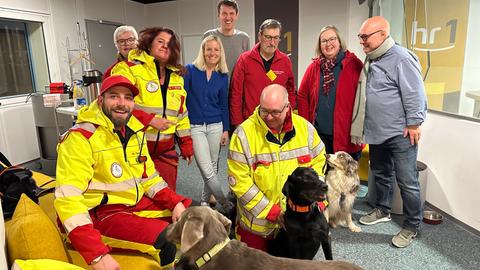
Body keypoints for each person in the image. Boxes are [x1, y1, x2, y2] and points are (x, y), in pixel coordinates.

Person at [54, 75, 192, 270]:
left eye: (128, 97)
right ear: (100, 100)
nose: (122, 103)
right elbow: (69, 199)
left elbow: (150, 179)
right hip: (98, 215)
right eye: (114, 96)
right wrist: (96, 254)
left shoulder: (135, 132)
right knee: (167, 238)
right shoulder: (80, 138)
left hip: (130, 204)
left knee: (193, 215)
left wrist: (175, 203)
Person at [227, 84, 326, 251]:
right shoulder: (243, 135)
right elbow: (240, 184)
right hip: (258, 226)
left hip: (300, 221)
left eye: (275, 112)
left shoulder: (306, 129)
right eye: (264, 111)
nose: (268, 117)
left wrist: (317, 199)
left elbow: (319, 165)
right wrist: (272, 212)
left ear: (288, 107)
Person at [356, 16, 427, 248]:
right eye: (361, 37)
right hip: (378, 132)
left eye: (365, 37)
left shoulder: (401, 58)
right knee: (382, 174)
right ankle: (383, 210)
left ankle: (411, 226)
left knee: (407, 181)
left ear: (382, 34)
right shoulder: (372, 58)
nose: (362, 41)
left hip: (400, 133)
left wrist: (414, 123)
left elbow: (415, 92)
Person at [112, 27, 193, 191]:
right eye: (160, 41)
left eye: (169, 44)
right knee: (138, 197)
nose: (165, 46)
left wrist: (186, 144)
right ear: (149, 45)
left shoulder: (177, 77)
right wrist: (150, 120)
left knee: (167, 195)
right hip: (136, 149)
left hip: (166, 151)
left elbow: (181, 114)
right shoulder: (128, 69)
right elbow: (117, 105)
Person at [298, 25, 364, 161]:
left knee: (346, 181)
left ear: (339, 41)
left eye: (332, 39)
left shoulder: (354, 65)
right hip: (319, 137)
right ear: (319, 45)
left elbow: (364, 97)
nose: (328, 44)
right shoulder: (314, 67)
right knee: (321, 180)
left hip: (346, 139)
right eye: (324, 41)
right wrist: (306, 126)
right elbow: (302, 95)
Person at [184, 35, 230, 207]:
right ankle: (224, 202)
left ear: (220, 53)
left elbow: (224, 105)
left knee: (213, 165)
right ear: (203, 51)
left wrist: (225, 129)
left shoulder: (222, 76)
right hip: (195, 126)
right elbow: (182, 101)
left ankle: (204, 201)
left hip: (216, 125)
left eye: (216, 49)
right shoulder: (190, 70)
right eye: (208, 49)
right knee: (207, 169)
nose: (212, 53)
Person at [229, 19, 296, 129]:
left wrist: (288, 115)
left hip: (277, 124)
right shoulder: (245, 60)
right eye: (268, 37)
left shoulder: (285, 61)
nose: (272, 42)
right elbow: (236, 94)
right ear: (260, 36)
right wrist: (237, 124)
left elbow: (290, 92)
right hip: (251, 123)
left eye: (276, 38)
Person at [203, 0, 250, 79]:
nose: (228, 17)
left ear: (237, 15)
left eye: (231, 13)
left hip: (236, 88)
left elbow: (246, 67)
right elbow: (202, 63)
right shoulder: (208, 35)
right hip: (214, 86)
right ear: (218, 15)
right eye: (224, 13)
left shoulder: (244, 38)